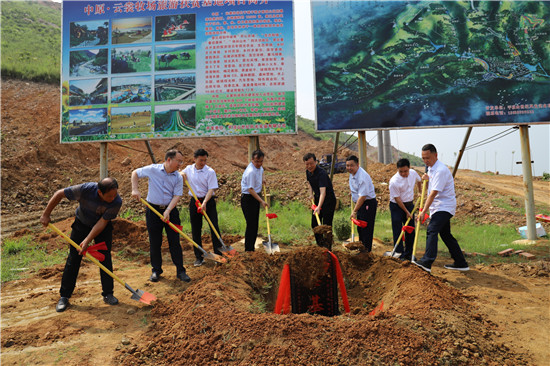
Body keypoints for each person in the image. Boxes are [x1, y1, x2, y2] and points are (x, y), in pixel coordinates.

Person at [40, 178, 122, 313]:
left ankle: (108, 293)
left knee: (104, 258)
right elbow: (59, 194)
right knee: (73, 259)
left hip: (102, 229)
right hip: (81, 225)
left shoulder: (116, 201)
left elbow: (102, 223)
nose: (113, 198)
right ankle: (64, 296)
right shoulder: (85, 189)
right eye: (109, 196)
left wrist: (87, 240)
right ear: (99, 192)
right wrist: (46, 214)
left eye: (115, 195)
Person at [131, 149, 190, 282]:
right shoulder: (153, 169)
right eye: (178, 161)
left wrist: (168, 210)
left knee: (175, 241)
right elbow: (135, 173)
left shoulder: (178, 177)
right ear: (169, 160)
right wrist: (135, 189)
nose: (180, 164)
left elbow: (177, 195)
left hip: (171, 211)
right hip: (153, 210)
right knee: (155, 242)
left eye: (181, 162)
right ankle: (156, 270)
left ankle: (180, 271)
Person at [414, 144, 469, 273]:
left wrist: (423, 212)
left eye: (428, 157)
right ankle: (461, 262)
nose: (426, 161)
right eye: (423, 158)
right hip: (438, 207)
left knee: (432, 229)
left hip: (444, 206)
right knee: (446, 235)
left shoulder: (440, 170)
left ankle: (427, 262)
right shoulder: (430, 168)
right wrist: (426, 180)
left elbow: (433, 194)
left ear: (436, 155)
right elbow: (429, 189)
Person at [180, 149, 222, 267]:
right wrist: (181, 174)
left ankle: (218, 254)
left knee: (214, 227)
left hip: (208, 201)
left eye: (205, 160)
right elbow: (179, 174)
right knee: (196, 229)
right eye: (200, 160)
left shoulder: (210, 172)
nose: (203, 162)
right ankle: (199, 257)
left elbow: (211, 189)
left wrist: (204, 203)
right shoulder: (188, 169)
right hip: (194, 201)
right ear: (194, 159)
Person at [387, 158, 421, 260]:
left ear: (409, 168)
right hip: (397, 206)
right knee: (397, 228)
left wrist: (419, 191)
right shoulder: (394, 181)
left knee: (410, 230)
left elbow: (419, 180)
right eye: (400, 171)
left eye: (405, 171)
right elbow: (397, 199)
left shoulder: (413, 173)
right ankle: (399, 252)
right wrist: (406, 212)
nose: (403, 173)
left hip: (410, 205)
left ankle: (409, 253)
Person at [303, 153, 337, 245]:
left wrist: (319, 207)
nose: (309, 166)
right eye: (307, 164)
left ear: (316, 162)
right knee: (314, 224)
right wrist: (311, 195)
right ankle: (320, 245)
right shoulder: (308, 172)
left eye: (311, 163)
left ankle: (328, 248)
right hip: (318, 198)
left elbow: (323, 192)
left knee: (326, 226)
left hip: (328, 200)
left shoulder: (321, 173)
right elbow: (309, 183)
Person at [346, 155, 377, 252]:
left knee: (366, 229)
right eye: (347, 166)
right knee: (360, 228)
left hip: (367, 203)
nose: (349, 168)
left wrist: (354, 211)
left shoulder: (362, 176)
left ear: (357, 165)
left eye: (351, 165)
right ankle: (361, 249)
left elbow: (363, 196)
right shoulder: (352, 174)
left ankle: (366, 252)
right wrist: (353, 192)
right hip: (360, 203)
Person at [241, 149, 268, 251]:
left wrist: (263, 178)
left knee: (255, 224)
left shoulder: (259, 167)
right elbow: (250, 189)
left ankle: (251, 248)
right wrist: (261, 201)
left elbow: (262, 171)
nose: (259, 163)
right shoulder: (250, 171)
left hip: (255, 197)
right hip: (248, 198)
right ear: (252, 159)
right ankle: (248, 249)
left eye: (261, 161)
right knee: (251, 224)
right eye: (257, 161)